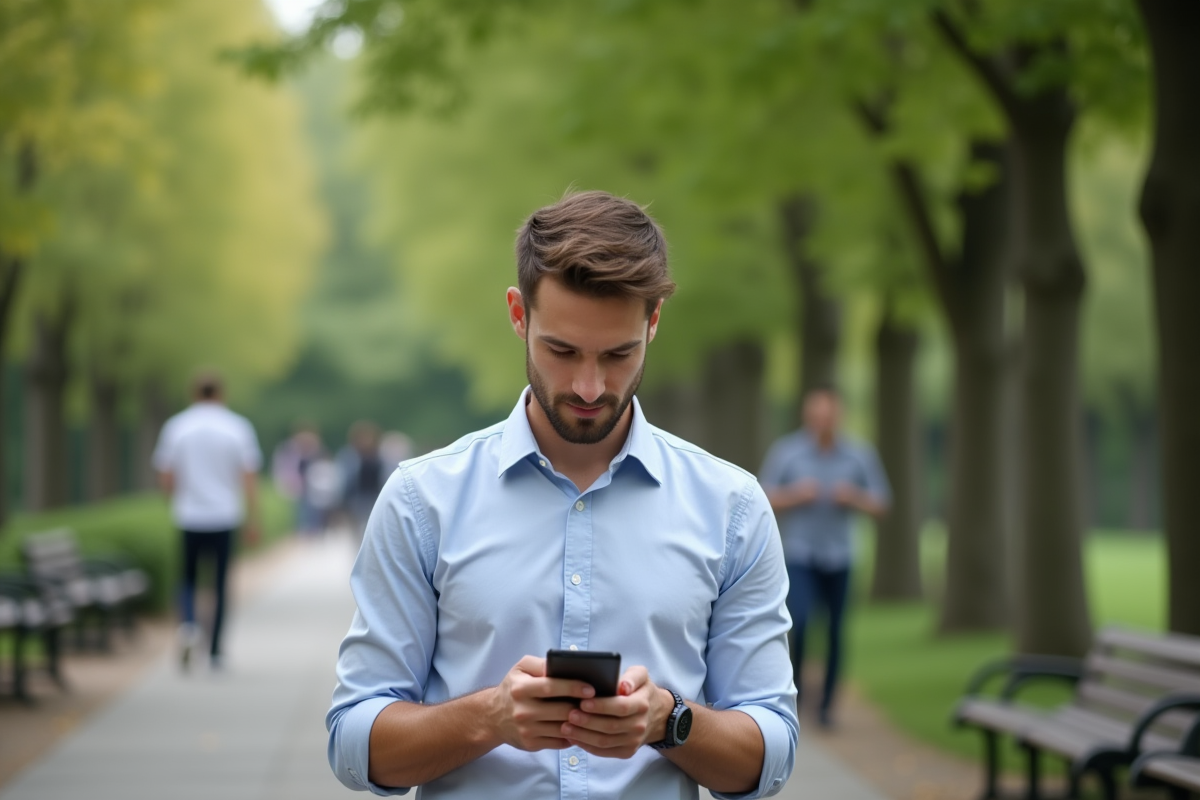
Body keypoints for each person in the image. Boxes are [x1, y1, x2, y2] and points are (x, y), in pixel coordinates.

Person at [327, 191, 798, 799]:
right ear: (518, 315)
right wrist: (489, 718)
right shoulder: (422, 501)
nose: (588, 385)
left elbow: (772, 751)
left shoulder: (731, 506)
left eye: (619, 354)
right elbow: (352, 742)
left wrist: (669, 720)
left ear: (654, 323)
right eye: (562, 350)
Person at [758, 385, 890, 729]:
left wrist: (855, 498)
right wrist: (795, 495)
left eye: (828, 415)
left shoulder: (859, 455)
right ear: (806, 415)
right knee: (799, 622)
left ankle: (828, 706)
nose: (822, 421)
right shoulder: (787, 452)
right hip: (801, 554)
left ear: (838, 415)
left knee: (835, 632)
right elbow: (762, 497)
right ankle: (796, 695)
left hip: (841, 555)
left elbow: (881, 503)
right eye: (816, 415)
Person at [152, 370, 263, 671]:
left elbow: (166, 474)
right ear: (221, 393)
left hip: (189, 514)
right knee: (220, 583)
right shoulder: (237, 427)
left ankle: (188, 624)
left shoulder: (177, 427)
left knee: (187, 577)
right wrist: (254, 519)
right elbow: (248, 477)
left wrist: (174, 499)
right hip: (225, 515)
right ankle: (214, 650)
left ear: (193, 393)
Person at [337, 420, 387, 543]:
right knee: (358, 533)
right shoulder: (349, 456)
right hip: (355, 500)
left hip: (375, 499)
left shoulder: (381, 456)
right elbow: (343, 481)